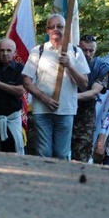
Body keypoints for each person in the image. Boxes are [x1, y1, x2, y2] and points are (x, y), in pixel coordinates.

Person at [22, 14, 89, 160]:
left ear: (66, 29)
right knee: (43, 153)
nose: (55, 29)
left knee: (62, 154)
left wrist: (69, 66)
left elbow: (84, 84)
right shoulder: (38, 51)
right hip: (42, 110)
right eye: (51, 27)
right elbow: (26, 81)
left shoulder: (75, 52)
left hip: (65, 110)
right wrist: (44, 98)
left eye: (60, 26)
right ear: (47, 30)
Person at [72, 34, 109, 162]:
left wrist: (70, 97)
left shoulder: (101, 67)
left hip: (85, 117)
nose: (88, 54)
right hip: (63, 112)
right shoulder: (69, 62)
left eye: (91, 50)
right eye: (84, 50)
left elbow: (94, 92)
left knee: (81, 154)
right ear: (78, 48)